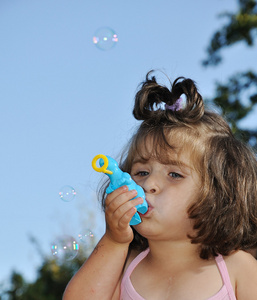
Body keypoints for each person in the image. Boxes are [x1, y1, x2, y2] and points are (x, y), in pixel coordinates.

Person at [63, 71, 257, 300]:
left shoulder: (237, 268)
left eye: (174, 174)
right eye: (141, 172)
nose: (149, 184)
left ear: (218, 193)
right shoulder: (125, 268)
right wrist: (115, 241)